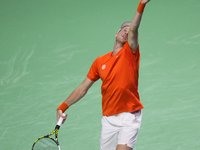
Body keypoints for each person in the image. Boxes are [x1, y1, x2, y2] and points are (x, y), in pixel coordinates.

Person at [56, 0, 150, 149]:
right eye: (123, 29)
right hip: (109, 119)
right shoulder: (100, 61)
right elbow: (82, 89)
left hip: (129, 116)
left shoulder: (131, 53)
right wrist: (62, 107)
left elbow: (133, 29)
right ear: (116, 33)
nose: (126, 31)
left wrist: (141, 4)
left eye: (129, 30)